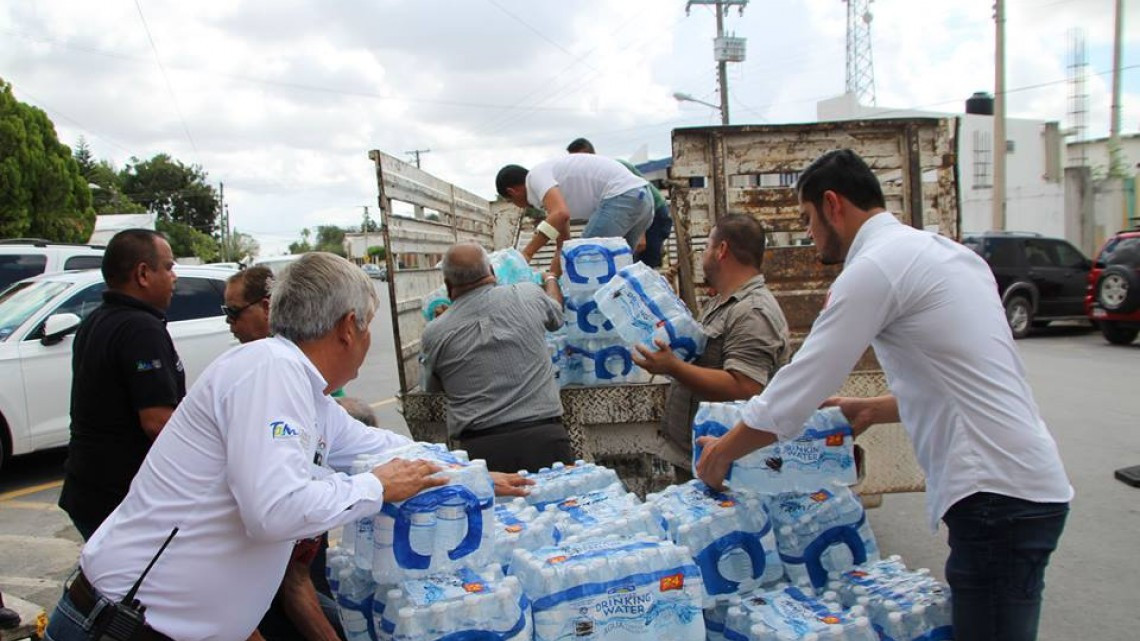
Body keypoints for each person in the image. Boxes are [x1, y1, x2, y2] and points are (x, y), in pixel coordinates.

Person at [45, 253, 530, 641]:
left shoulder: (302, 388)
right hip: (121, 627)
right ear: (348, 326)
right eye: (367, 327)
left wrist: (468, 479)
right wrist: (375, 489)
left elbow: (375, 446)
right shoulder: (269, 372)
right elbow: (274, 510)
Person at [695, 150, 1072, 641]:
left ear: (833, 205)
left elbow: (805, 380)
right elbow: (964, 379)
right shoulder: (949, 254)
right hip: (1024, 485)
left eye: (809, 220)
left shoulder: (875, 267)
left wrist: (724, 450)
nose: (809, 236)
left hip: (995, 496)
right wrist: (874, 407)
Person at [632, 214, 789, 470]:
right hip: (699, 456)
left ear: (722, 250)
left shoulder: (752, 311)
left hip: (728, 467)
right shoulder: (721, 303)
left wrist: (673, 367)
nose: (703, 254)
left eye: (706, 246)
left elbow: (746, 387)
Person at [58, 229, 184, 541]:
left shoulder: (98, 319)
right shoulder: (140, 329)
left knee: (108, 580)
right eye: (168, 267)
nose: (174, 277)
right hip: (119, 497)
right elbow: (157, 422)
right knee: (133, 586)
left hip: (88, 488)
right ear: (143, 273)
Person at [420, 242, 575, 473]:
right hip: (546, 440)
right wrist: (551, 278)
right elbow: (557, 316)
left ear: (448, 285)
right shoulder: (528, 294)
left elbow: (431, 387)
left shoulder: (435, 332)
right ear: (491, 272)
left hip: (481, 455)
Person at [495, 153, 652, 261]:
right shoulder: (552, 189)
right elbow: (563, 246)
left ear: (512, 192)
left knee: (584, 259)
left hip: (623, 196)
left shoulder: (535, 176)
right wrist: (554, 276)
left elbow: (560, 213)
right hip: (642, 198)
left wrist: (526, 254)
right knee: (618, 265)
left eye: (510, 201)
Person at [566, 137, 673, 268]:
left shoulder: (617, 165)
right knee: (627, 258)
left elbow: (639, 194)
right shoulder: (593, 176)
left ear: (590, 155)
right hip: (641, 213)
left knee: (645, 262)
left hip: (655, 212)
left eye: (579, 158)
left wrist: (641, 234)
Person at [223, 265, 273, 344]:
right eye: (227, 311)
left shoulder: (284, 353)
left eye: (233, 311)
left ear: (266, 307)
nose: (228, 320)